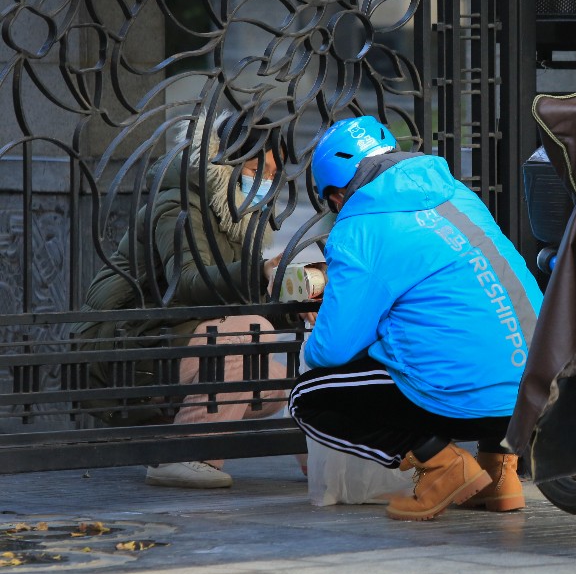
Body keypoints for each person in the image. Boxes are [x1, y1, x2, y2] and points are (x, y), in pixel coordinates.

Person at [288, 116, 542, 521]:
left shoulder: (359, 226)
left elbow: (332, 351)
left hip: (466, 395)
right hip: (537, 387)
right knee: (484, 340)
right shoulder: (458, 195)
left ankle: (442, 467)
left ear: (337, 195)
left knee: (309, 397)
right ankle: (499, 476)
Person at [72, 111, 291, 489]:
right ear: (229, 161)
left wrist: (294, 306)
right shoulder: (180, 204)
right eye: (259, 169)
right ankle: (182, 454)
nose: (266, 182)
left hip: (170, 337)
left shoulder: (231, 214)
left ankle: (319, 461)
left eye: (274, 175)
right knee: (250, 332)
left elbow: (228, 297)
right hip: (122, 342)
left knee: (283, 382)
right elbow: (189, 283)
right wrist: (258, 271)